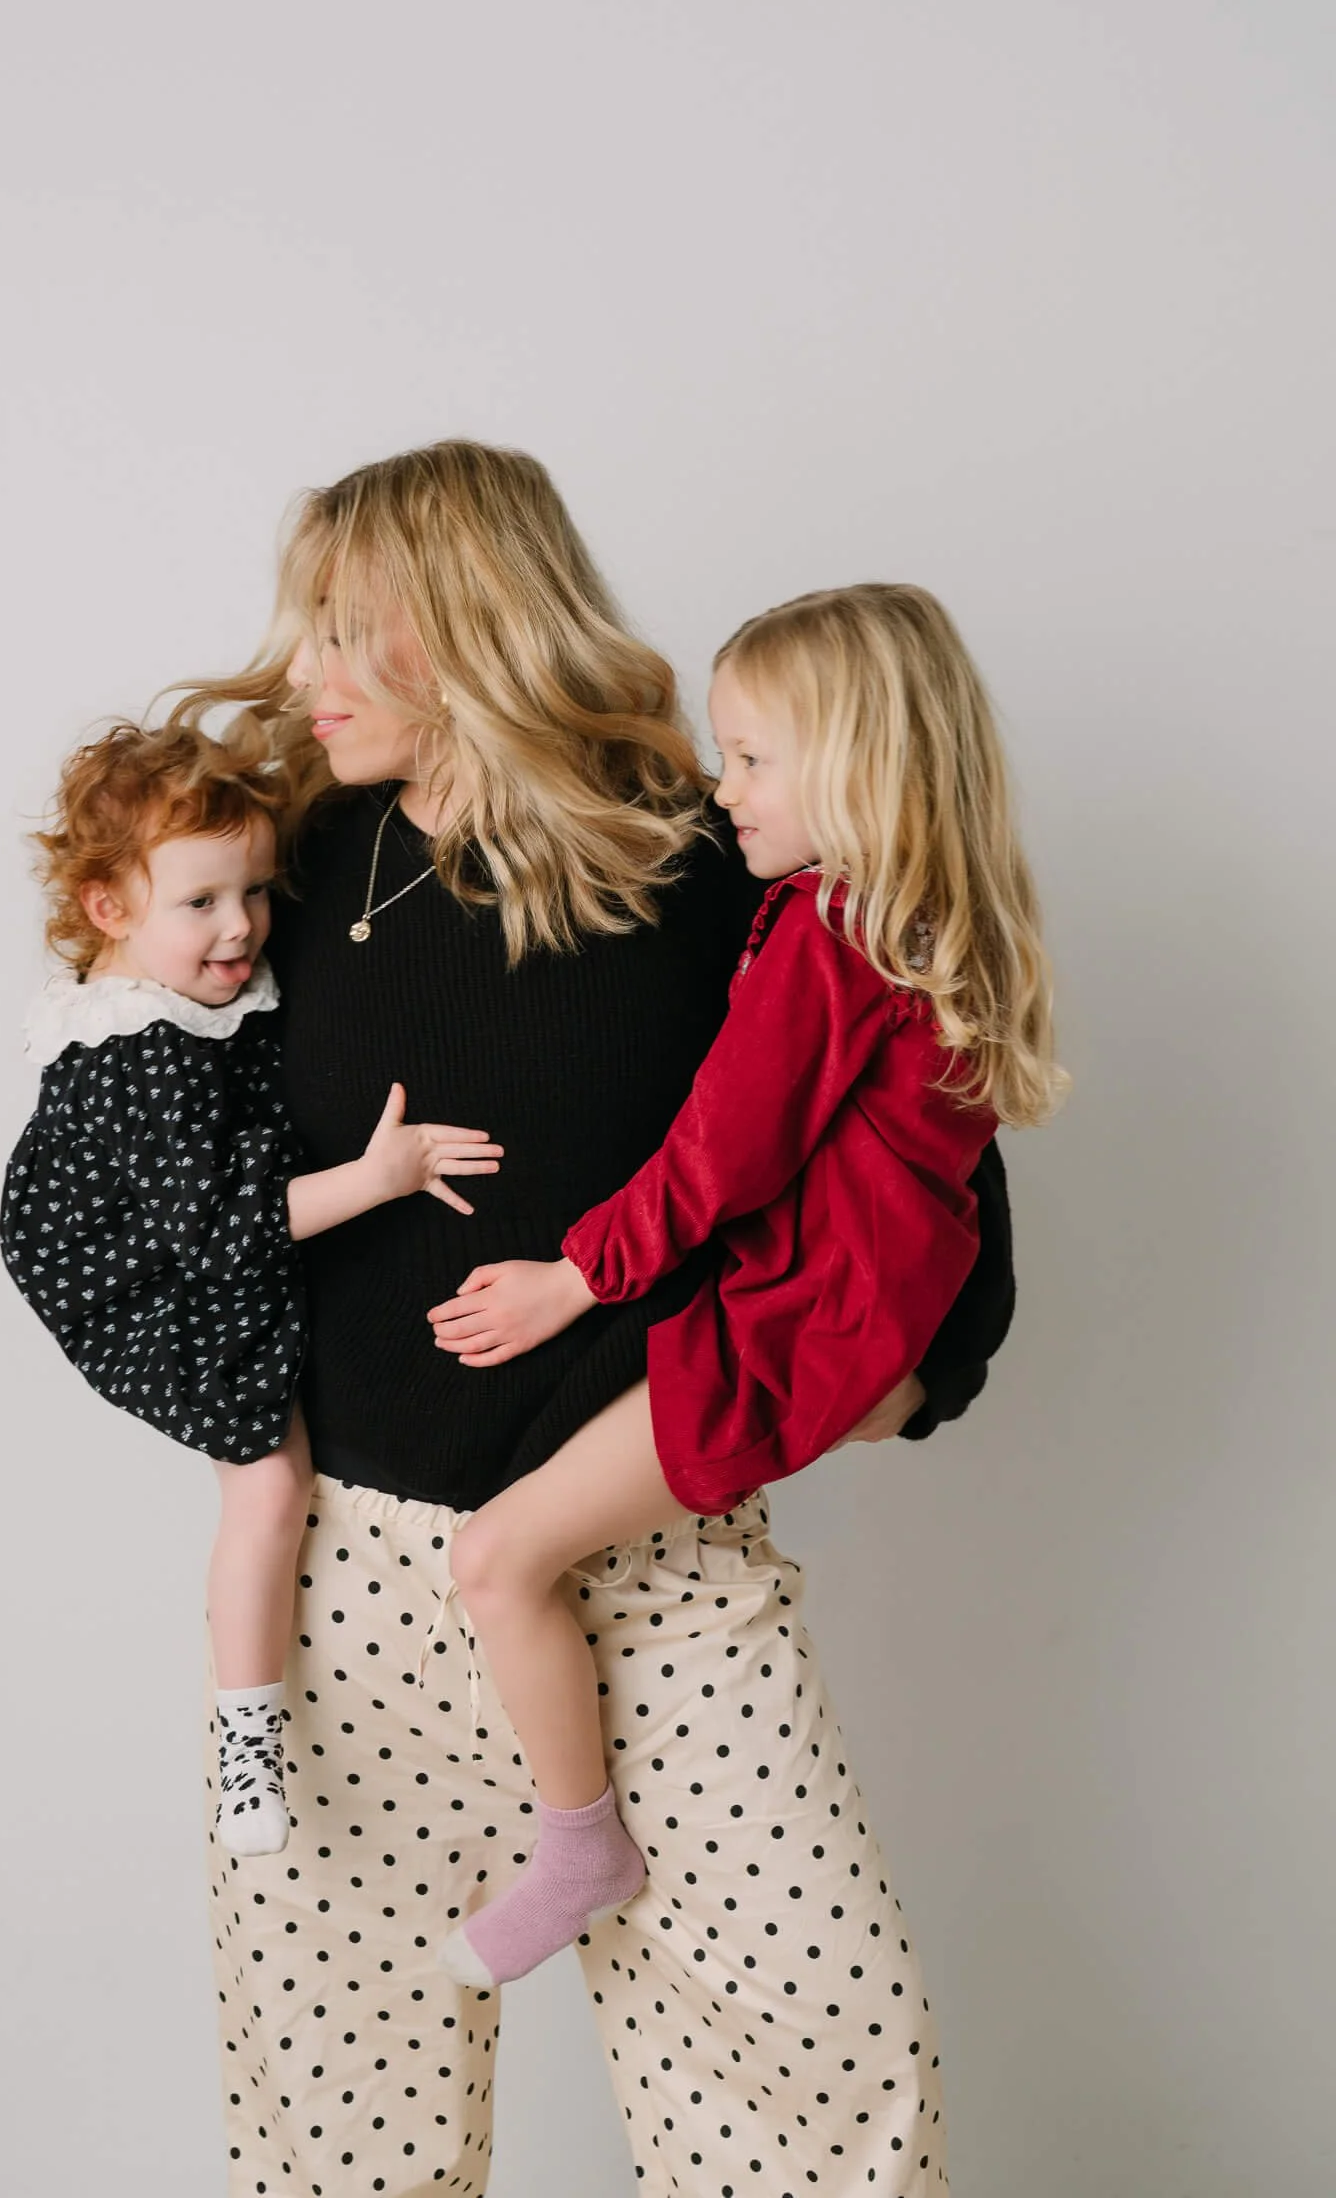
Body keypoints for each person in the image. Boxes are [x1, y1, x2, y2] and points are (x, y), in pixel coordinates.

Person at [175, 439, 1015, 2196]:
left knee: (818, 2097)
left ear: (469, 624)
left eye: (348, 631)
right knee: (343, 2146)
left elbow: (943, 1198)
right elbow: (151, 1160)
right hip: (353, 1584)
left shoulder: (714, 866)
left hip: (657, 1572)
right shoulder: (293, 877)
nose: (306, 676)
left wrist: (834, 1393)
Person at [425, 583, 1065, 1987]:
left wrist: (565, 1282)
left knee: (495, 1556)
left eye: (756, 760)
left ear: (862, 766)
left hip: (789, 1337)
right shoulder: (927, 928)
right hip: (843, 1328)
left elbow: (720, 1155)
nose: (727, 794)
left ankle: (582, 1842)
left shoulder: (832, 936)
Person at [0, 720, 501, 1854]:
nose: (241, 928)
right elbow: (224, 1226)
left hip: (189, 1243)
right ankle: (244, 1742)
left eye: (255, 894)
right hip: (137, 1281)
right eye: (202, 905)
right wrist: (383, 1176)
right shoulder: (140, 1051)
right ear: (108, 912)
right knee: (269, 1484)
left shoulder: (202, 986)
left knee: (278, 1468)